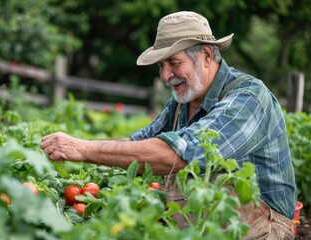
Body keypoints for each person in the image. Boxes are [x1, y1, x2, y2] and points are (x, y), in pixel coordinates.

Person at [41, 11, 296, 239]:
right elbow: (137, 145)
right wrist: (76, 149)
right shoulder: (182, 103)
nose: (165, 76)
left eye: (174, 63)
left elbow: (182, 154)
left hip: (263, 229)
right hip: (198, 229)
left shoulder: (248, 97)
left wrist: (85, 149)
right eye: (162, 66)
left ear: (206, 56)